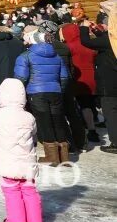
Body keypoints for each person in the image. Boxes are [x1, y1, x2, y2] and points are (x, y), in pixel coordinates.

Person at [0, 78, 43, 222]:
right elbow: (34, 131)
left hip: (7, 163)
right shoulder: (29, 116)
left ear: (1, 95)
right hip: (27, 164)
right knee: (30, 191)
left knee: (12, 191)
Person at [14, 29, 70, 165]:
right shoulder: (57, 56)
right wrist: (59, 90)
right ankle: (64, 157)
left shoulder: (25, 56)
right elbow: (64, 77)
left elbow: (21, 77)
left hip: (36, 92)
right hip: (55, 91)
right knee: (58, 121)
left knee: (44, 122)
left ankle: (52, 157)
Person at [79, 8, 117, 154]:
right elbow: (104, 40)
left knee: (111, 113)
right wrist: (96, 30)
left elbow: (86, 42)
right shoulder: (111, 40)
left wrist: (83, 27)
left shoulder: (109, 40)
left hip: (109, 84)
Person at [46, 20, 87, 153]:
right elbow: (71, 68)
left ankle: (68, 144)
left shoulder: (45, 48)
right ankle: (81, 142)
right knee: (72, 113)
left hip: (53, 83)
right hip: (67, 83)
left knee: (58, 115)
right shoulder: (64, 47)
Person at [61, 18, 99, 143]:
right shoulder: (89, 44)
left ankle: (86, 130)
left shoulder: (68, 46)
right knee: (89, 104)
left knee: (79, 106)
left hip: (77, 78)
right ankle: (94, 125)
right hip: (92, 76)